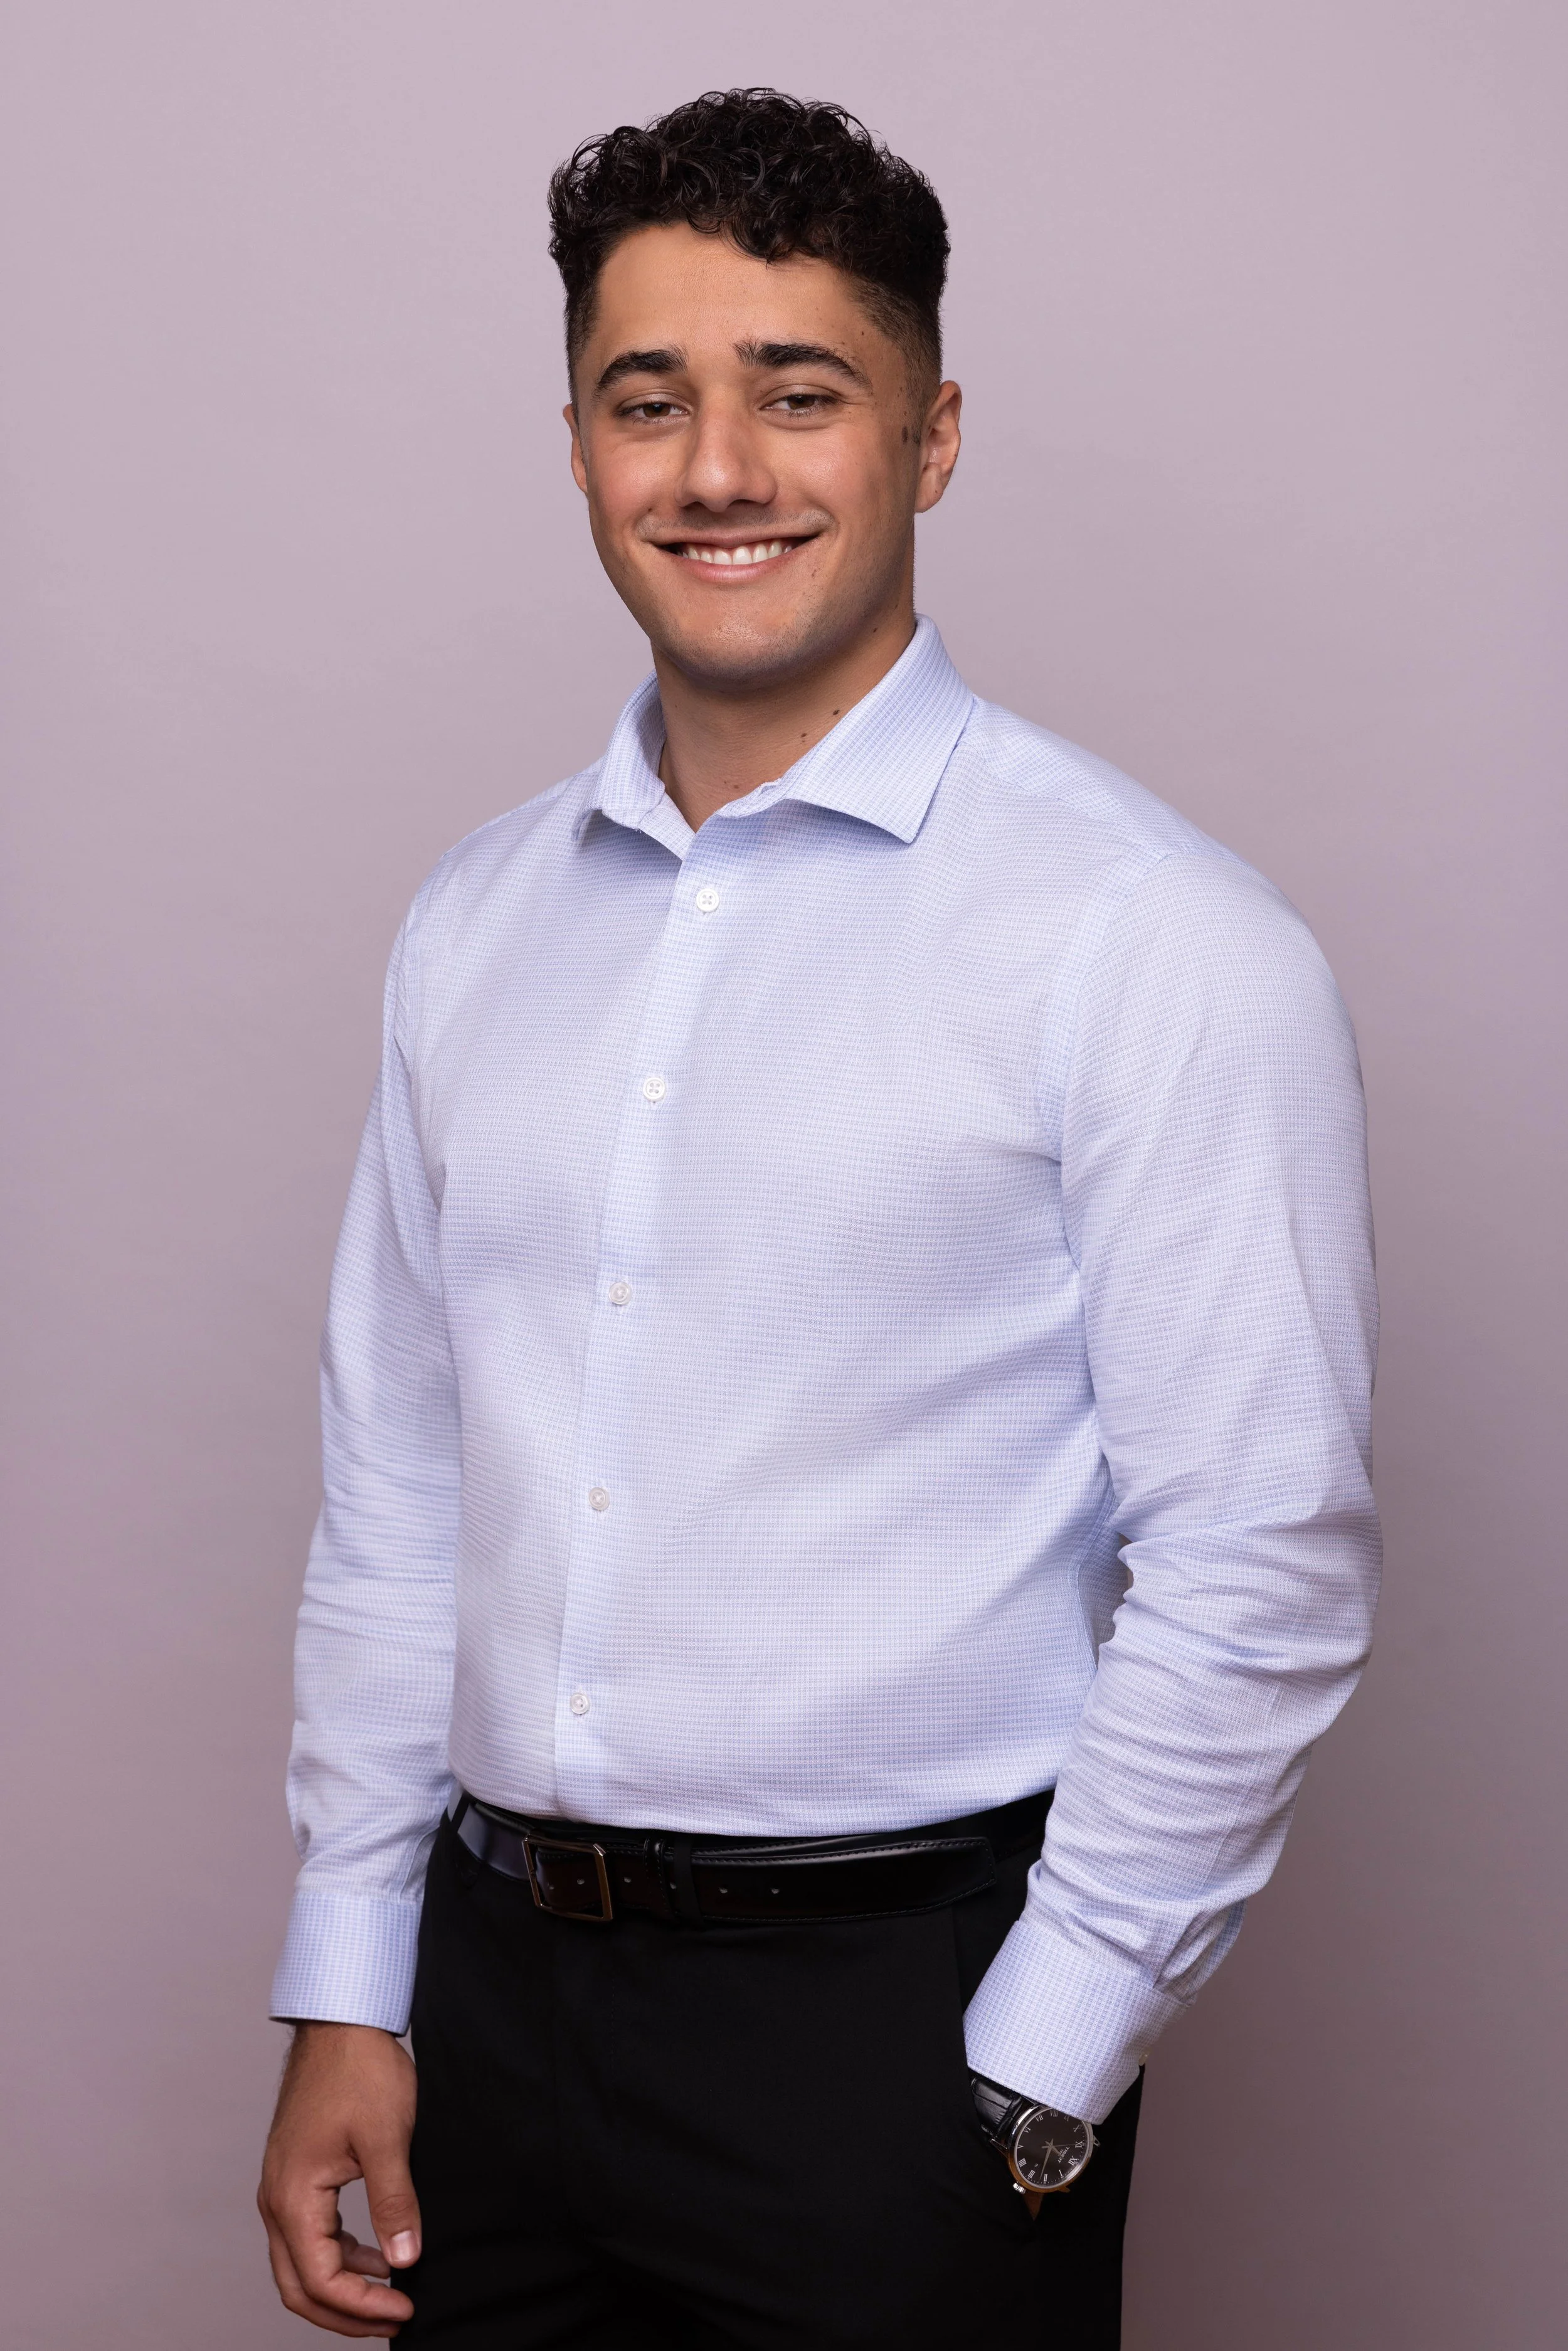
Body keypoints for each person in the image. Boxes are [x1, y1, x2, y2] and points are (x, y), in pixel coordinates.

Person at [258, 87, 1379, 2348]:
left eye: (801, 392)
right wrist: (346, 1984)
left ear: (931, 434)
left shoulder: (1150, 937)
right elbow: (398, 1492)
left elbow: (1263, 1553)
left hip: (900, 2042)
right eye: (645, 399)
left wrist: (1034, 2062)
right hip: (484, 2014)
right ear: (577, 439)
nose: (719, 471)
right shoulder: (472, 925)